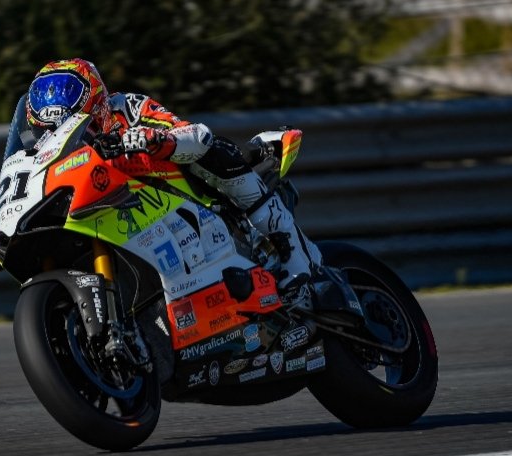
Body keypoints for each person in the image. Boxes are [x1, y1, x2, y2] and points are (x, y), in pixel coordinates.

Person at [24, 58, 324, 299]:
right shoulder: (41, 150)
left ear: (96, 103)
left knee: (213, 149)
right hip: (119, 214)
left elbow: (197, 135)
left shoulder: (125, 108)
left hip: (185, 194)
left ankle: (293, 253)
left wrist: (155, 140)